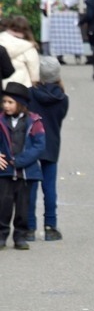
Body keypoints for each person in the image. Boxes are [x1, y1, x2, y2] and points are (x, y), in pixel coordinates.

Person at [0, 81, 46, 251]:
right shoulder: (0, 120)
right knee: (3, 205)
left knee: (23, 207)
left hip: (26, 172)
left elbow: (39, 145)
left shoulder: (34, 122)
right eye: (4, 102)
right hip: (4, 171)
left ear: (21, 104)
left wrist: (20, 161)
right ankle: (2, 235)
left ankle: (20, 236)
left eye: (10, 102)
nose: (6, 105)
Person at [27, 57, 68, 242]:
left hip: (32, 144)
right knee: (50, 187)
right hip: (52, 144)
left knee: (30, 187)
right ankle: (50, 226)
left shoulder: (30, 94)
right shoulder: (62, 99)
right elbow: (60, 118)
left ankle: (29, 227)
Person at [0, 17, 41, 88]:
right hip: (21, 86)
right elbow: (34, 71)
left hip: (2, 84)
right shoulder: (29, 46)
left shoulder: (1, 38)